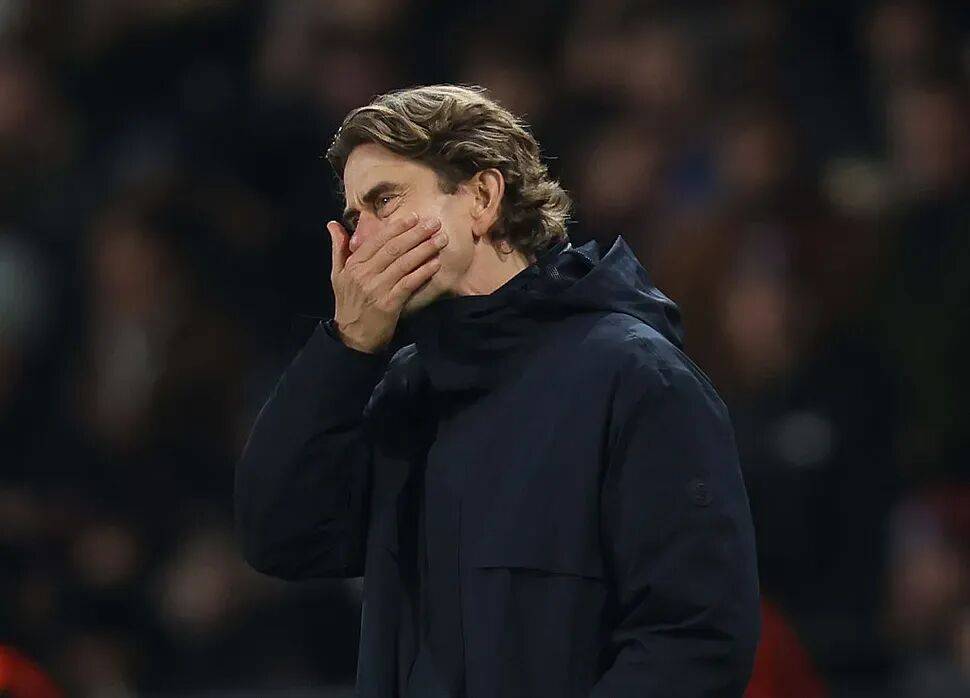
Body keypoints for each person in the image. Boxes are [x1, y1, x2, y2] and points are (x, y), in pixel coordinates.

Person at [234, 84, 761, 697]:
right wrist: (345, 350)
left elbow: (692, 638)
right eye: (354, 219)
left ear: (483, 198)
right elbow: (281, 537)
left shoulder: (636, 378)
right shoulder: (405, 390)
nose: (361, 243)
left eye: (385, 201)